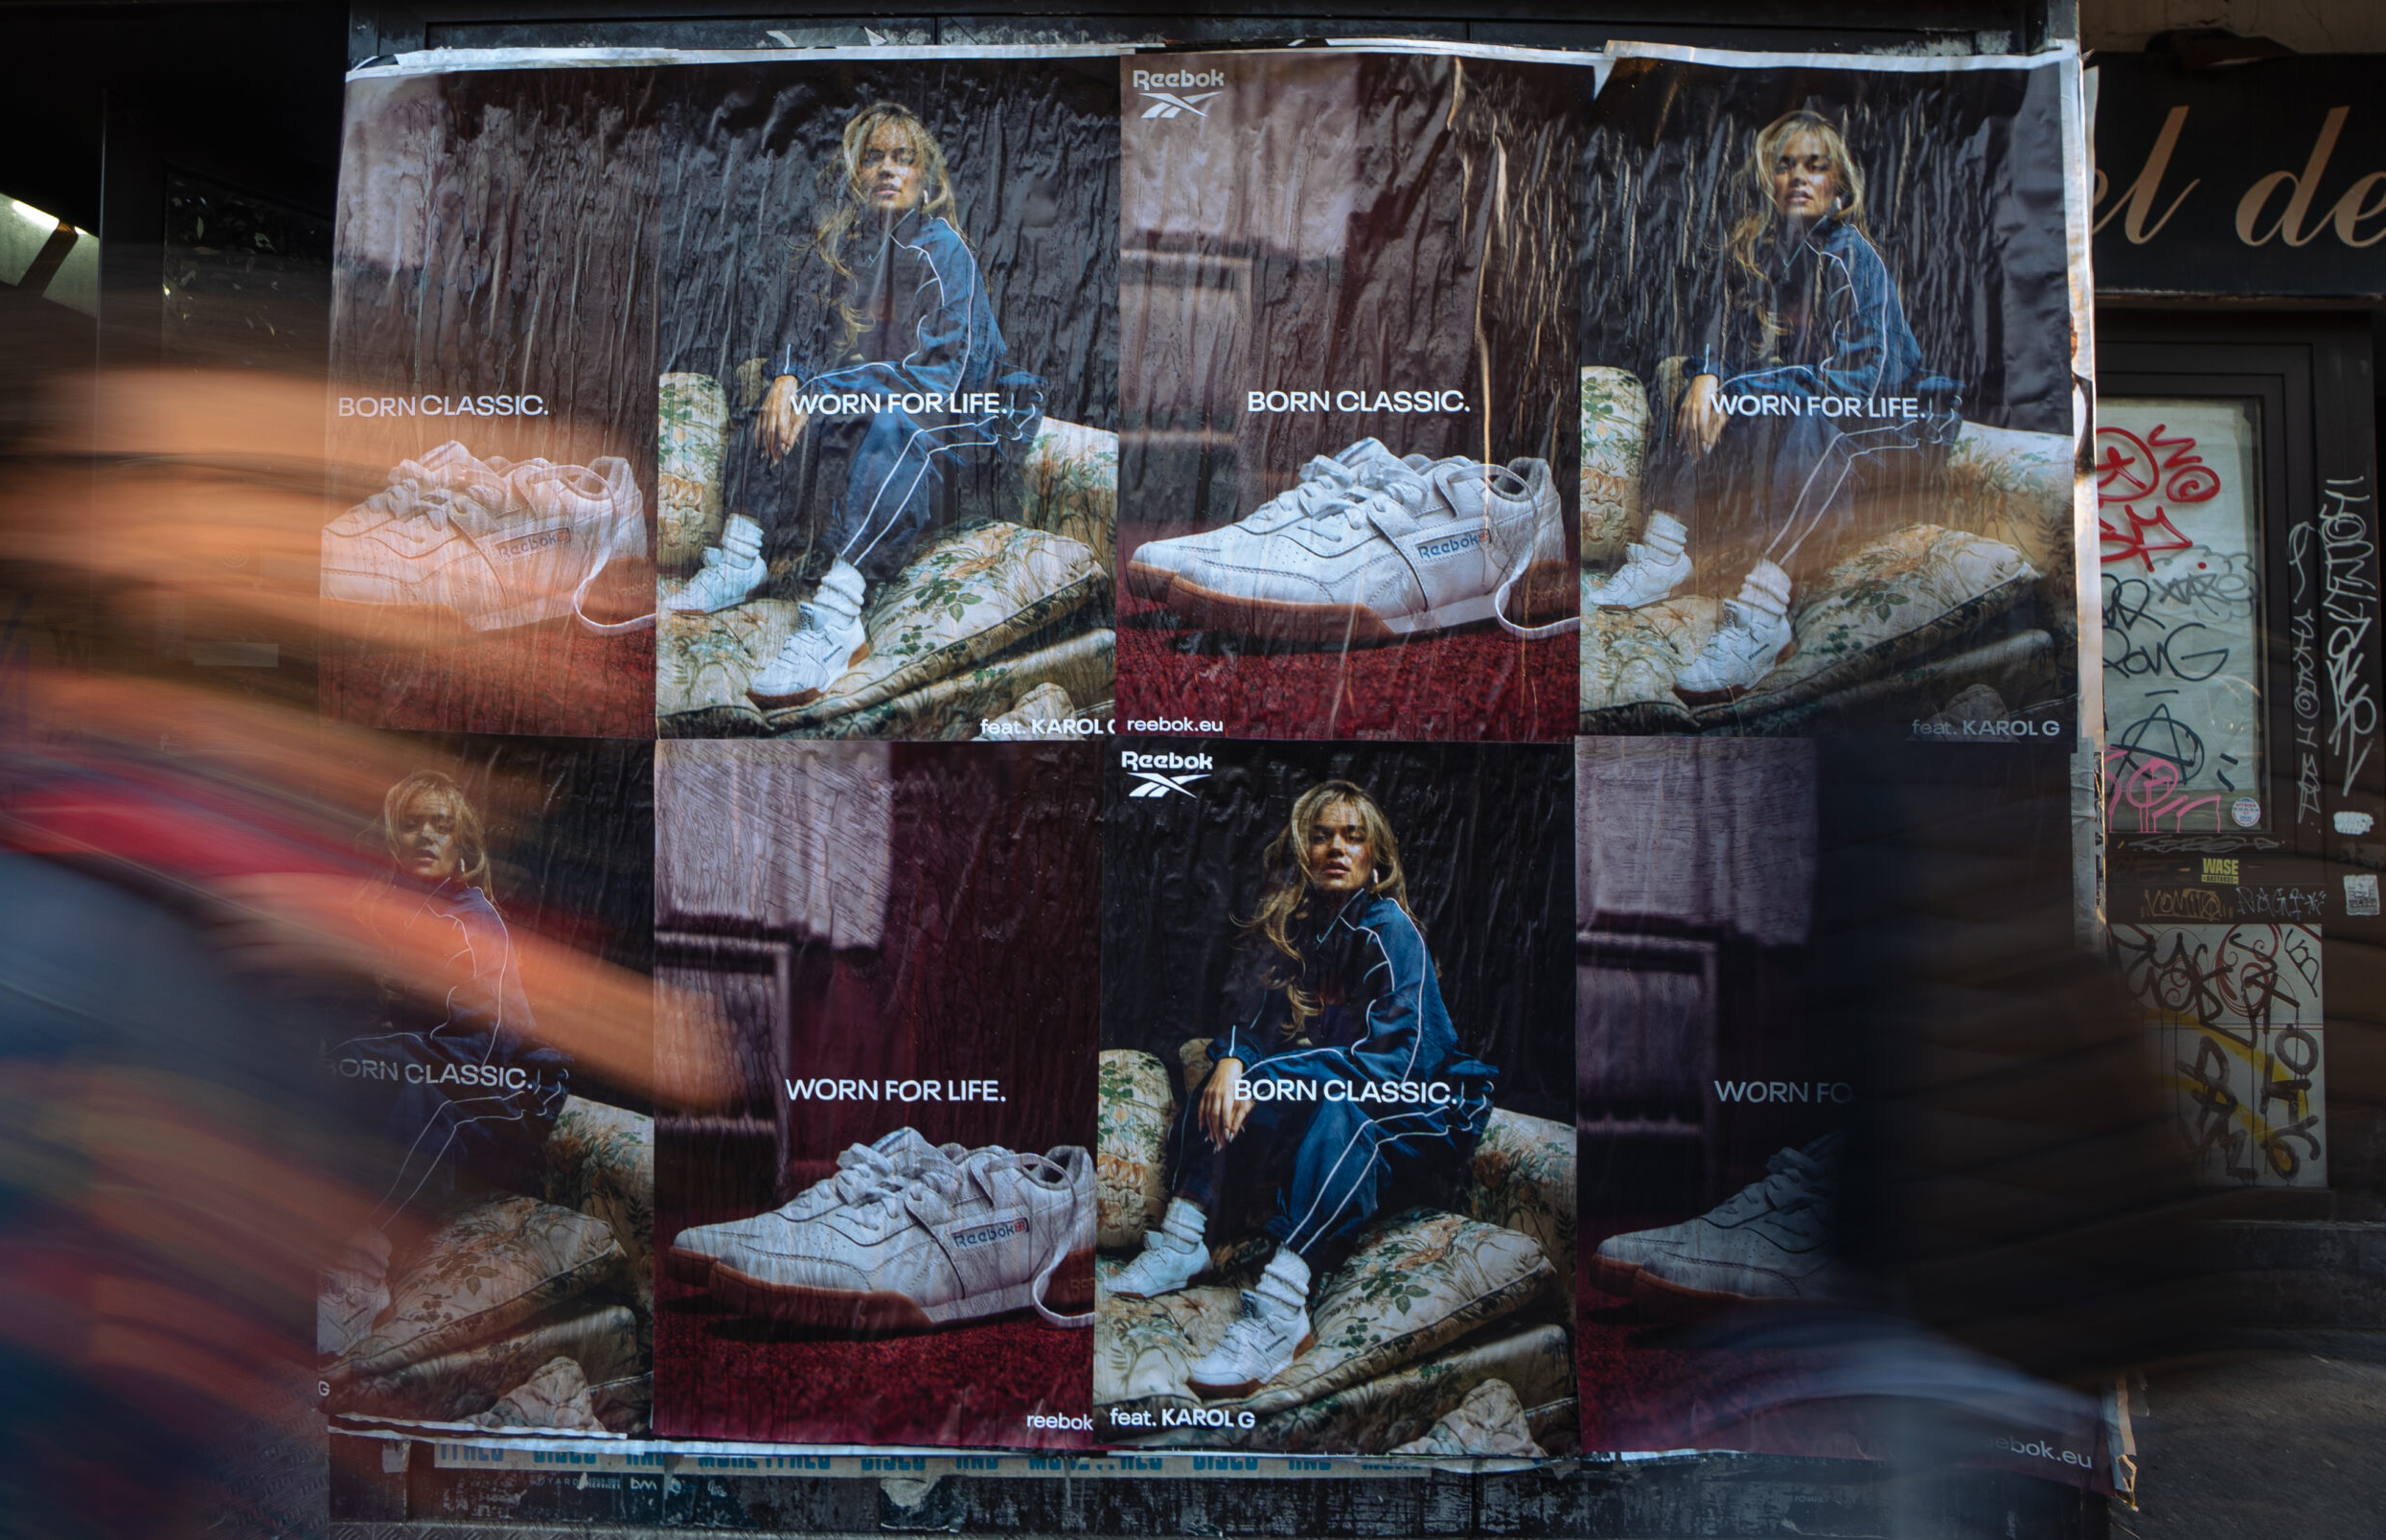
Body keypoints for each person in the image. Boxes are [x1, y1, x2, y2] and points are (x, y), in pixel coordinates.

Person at [1107, 782, 1497, 1397]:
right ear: (1302, 851)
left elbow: (1395, 1068)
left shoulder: (1388, 929)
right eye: (1321, 836)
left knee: (1343, 1114)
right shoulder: (1302, 933)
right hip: (1353, 1092)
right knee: (1225, 1082)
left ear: (1375, 857)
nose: (1336, 848)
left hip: (1428, 1101)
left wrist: (1269, 1077)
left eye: (1353, 837)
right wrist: (1233, 1062)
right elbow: (1255, 1024)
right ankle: (1182, 1241)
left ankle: (1281, 1308)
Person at [663, 101, 1044, 706]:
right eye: (874, 158)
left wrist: (822, 392)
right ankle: (739, 558)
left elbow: (941, 383)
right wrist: (789, 379)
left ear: (925, 178)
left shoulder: (944, 251)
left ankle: (837, 619)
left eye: (904, 158)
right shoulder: (849, 249)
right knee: (780, 398)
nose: (888, 169)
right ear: (855, 174)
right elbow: (806, 333)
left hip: (965, 422)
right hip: (884, 408)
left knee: (896, 424)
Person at [1588, 108, 1960, 701]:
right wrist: (1709, 375)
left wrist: (1738, 389)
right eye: (1785, 166)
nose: (1799, 178)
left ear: (1839, 187)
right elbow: (1727, 345)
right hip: (1818, 425)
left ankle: (1762, 619)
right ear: (1769, 180)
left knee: (1810, 418)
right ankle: (1662, 556)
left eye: (1816, 166)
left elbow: (1862, 388)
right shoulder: (1766, 259)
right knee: (1698, 392)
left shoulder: (1852, 257)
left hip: (1902, 428)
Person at [329, 770, 568, 1221]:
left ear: (462, 847)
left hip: (512, 1085)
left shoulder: (473, 921)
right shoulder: (396, 913)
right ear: (393, 840)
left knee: (420, 1093)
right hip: (445, 1065)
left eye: (441, 827)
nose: (426, 836)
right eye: (412, 824)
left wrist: (377, 1053)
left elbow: (482, 1047)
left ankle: (376, 1240)